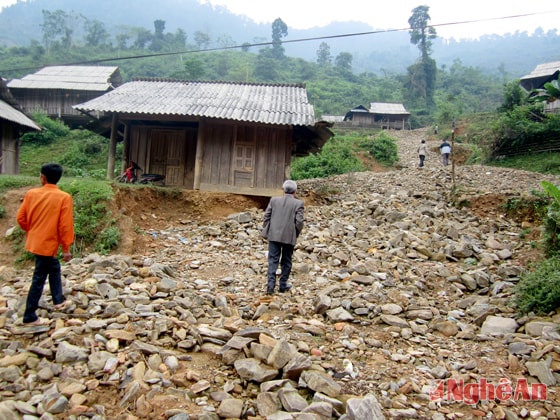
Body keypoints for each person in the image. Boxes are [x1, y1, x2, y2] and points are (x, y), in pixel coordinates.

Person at [17, 163, 75, 325]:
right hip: (48, 244)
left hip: (36, 241)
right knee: (39, 277)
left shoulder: (31, 194)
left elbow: (21, 218)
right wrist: (66, 248)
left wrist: (33, 230)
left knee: (53, 267)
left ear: (43, 178)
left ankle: (58, 300)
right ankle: (29, 315)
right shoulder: (64, 197)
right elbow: (65, 226)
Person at [262, 180, 304, 295]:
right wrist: (295, 233)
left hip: (274, 235)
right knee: (286, 261)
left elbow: (266, 216)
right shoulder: (298, 203)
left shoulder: (274, 200)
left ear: (284, 190)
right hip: (289, 237)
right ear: (295, 191)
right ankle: (283, 285)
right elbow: (299, 222)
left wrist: (268, 229)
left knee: (272, 260)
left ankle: (270, 287)